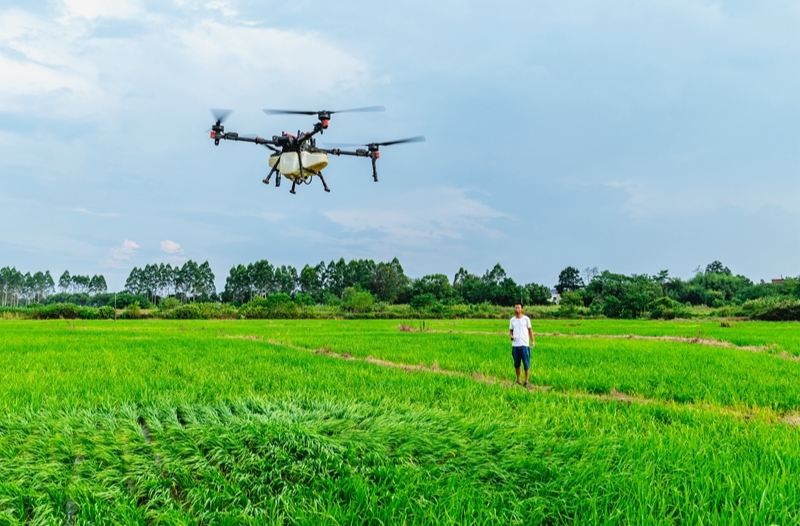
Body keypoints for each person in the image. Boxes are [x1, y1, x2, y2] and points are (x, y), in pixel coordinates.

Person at [509, 302, 534, 386]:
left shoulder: (526, 319)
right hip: (515, 346)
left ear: (521, 309)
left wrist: (533, 341)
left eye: (518, 308)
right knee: (516, 364)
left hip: (524, 345)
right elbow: (511, 331)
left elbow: (530, 330)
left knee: (526, 364)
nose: (517, 309)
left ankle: (526, 381)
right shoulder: (512, 320)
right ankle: (518, 380)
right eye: (515, 308)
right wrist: (511, 336)